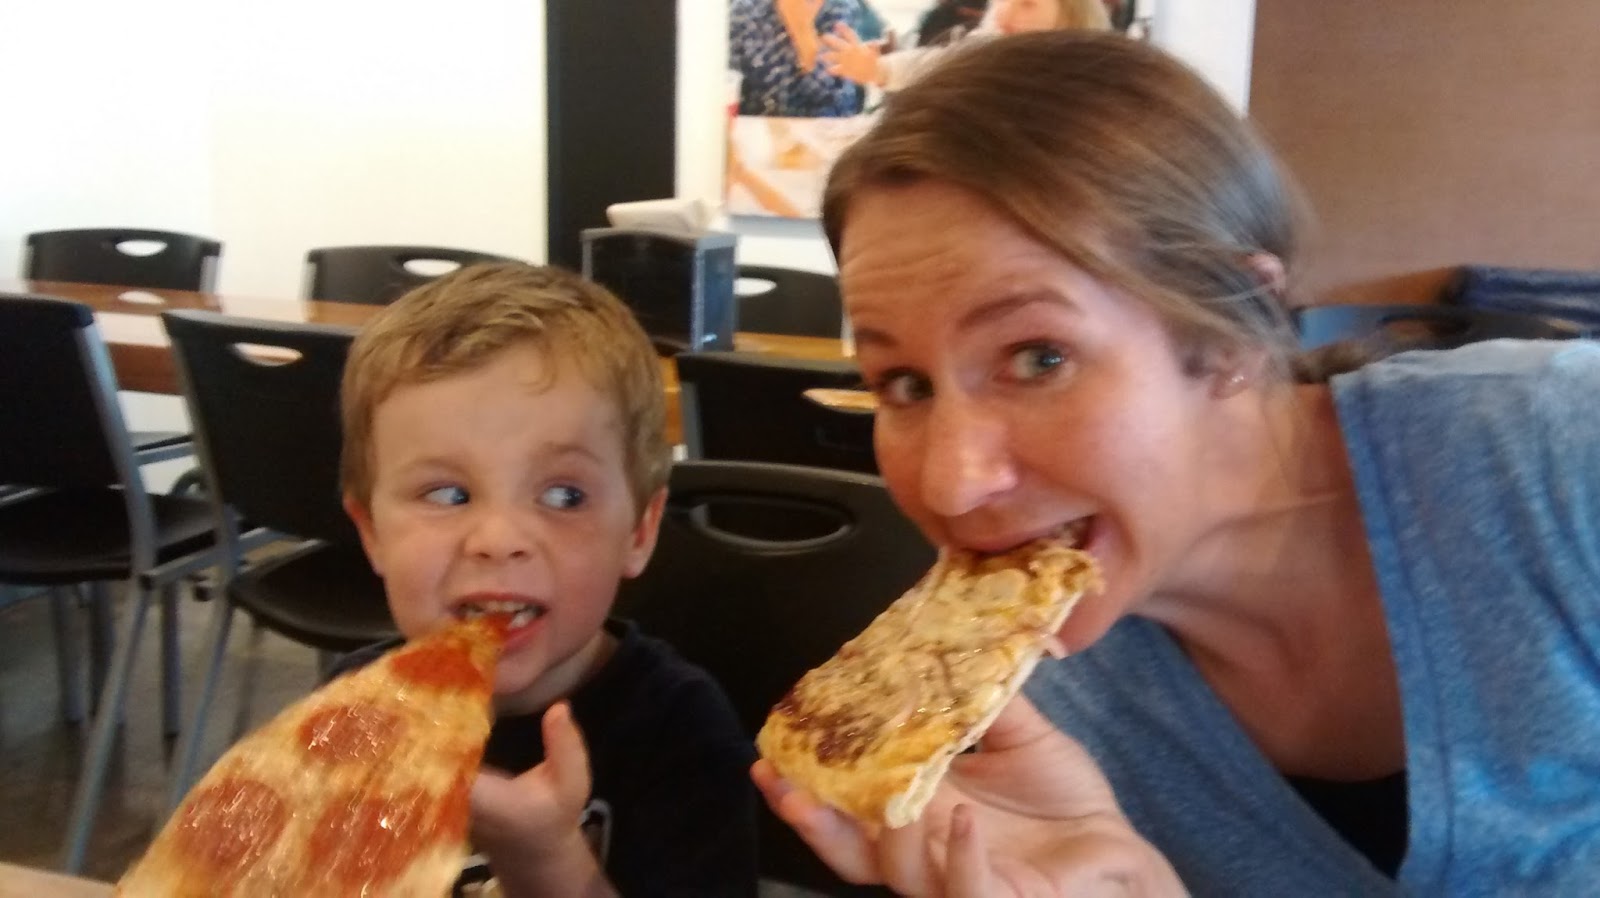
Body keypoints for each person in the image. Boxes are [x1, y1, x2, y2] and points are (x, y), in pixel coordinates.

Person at [753, 31, 1600, 895]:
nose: (952, 482)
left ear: (1233, 325)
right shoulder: (1032, 720)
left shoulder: (1560, 454)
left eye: (1039, 357)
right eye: (904, 384)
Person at [333, 263, 758, 897]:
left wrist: (544, 860)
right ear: (372, 533)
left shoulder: (682, 732)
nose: (498, 539)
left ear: (638, 533)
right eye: (447, 493)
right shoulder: (353, 706)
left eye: (564, 496)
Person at [820, 0, 1109, 92]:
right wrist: (879, 69)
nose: (1005, 12)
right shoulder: (990, 47)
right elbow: (938, 65)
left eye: (1028, 4)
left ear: (1070, 20)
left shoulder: (1077, 83)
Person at [730, 0, 867, 117]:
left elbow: (836, 102)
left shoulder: (841, 9)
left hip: (827, 133)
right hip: (756, 133)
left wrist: (802, 31)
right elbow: (727, 90)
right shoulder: (744, 11)